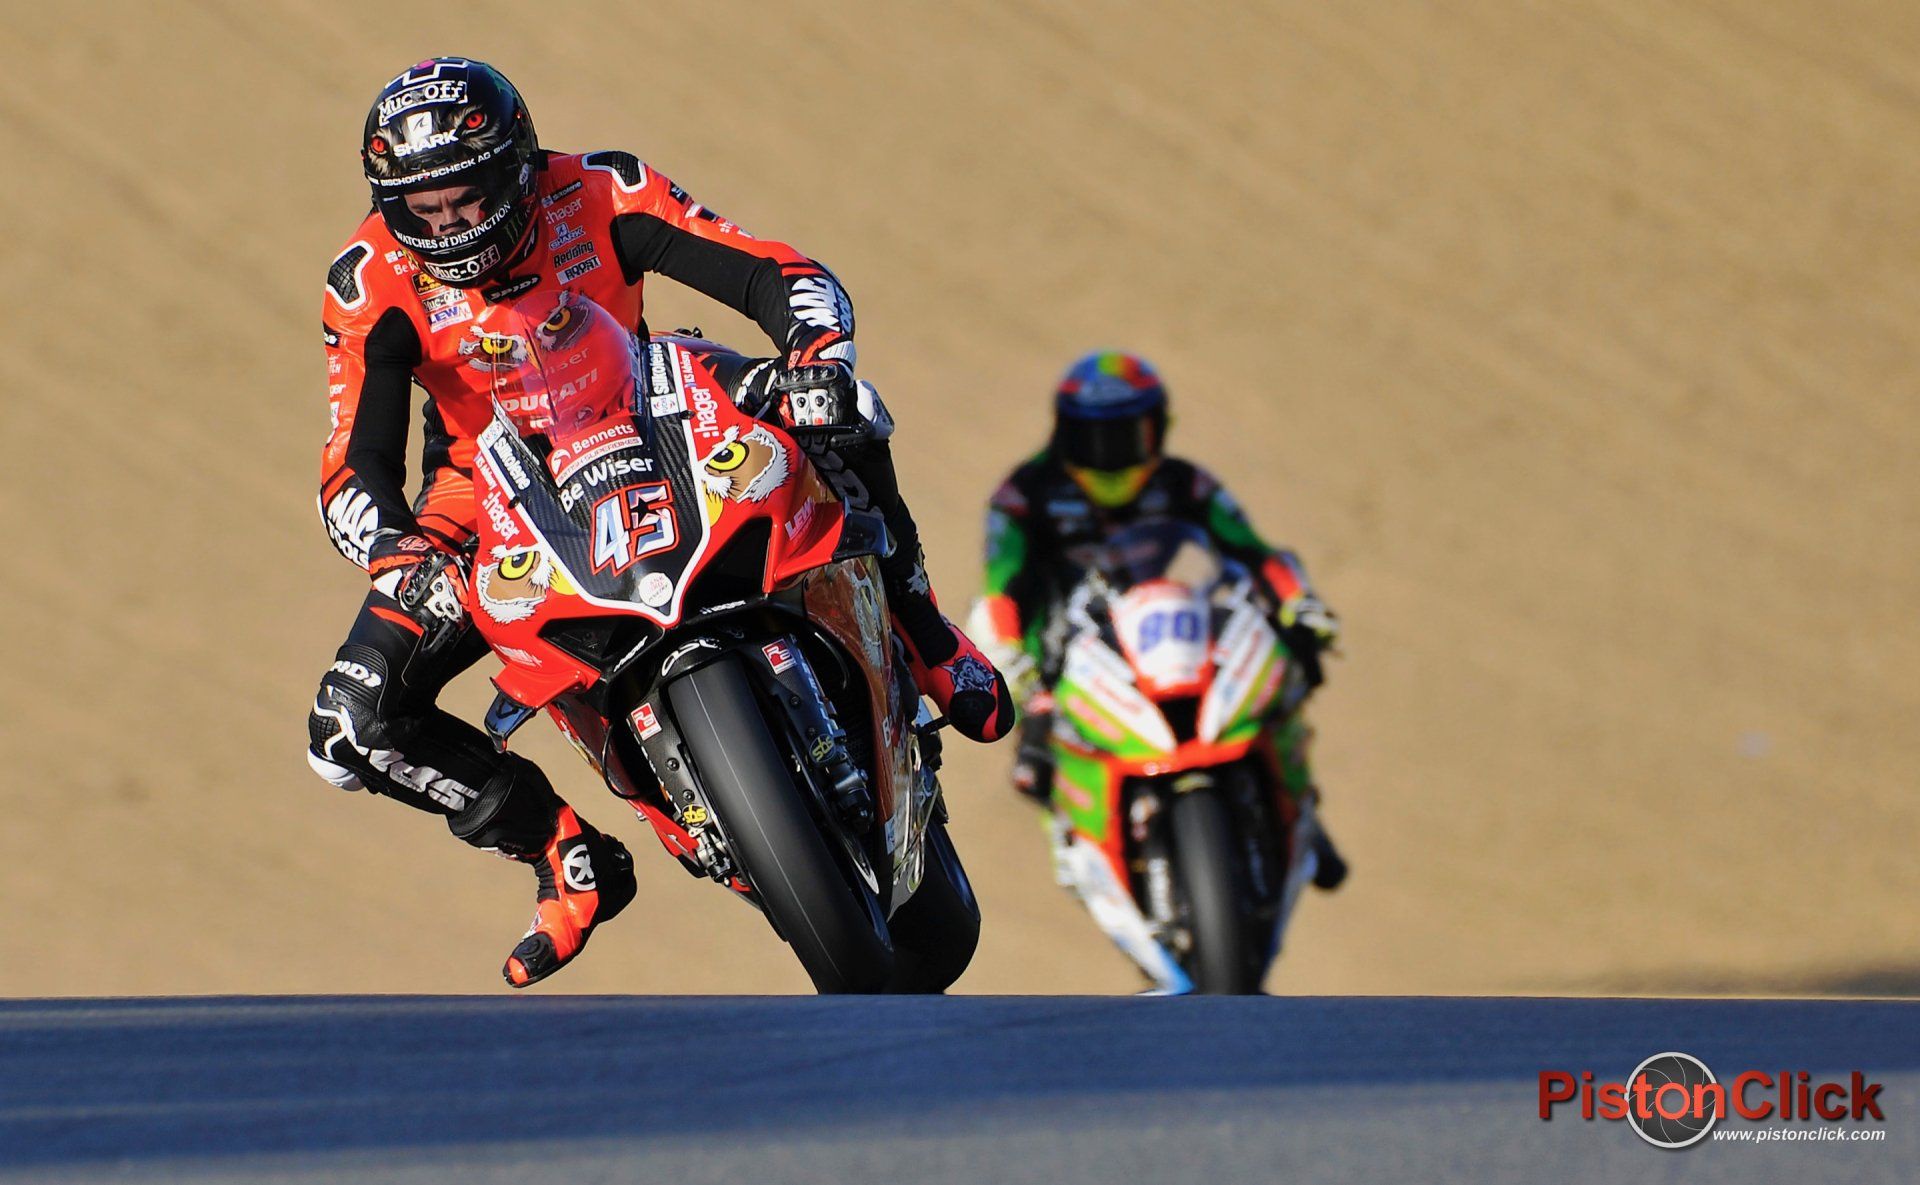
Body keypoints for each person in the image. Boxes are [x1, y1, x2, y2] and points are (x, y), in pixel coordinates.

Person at [306, 57, 1012, 989]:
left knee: (839, 408)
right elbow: (352, 459)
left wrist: (816, 351)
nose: (450, 228)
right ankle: (566, 857)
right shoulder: (369, 282)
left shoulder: (598, 188)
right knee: (347, 729)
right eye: (421, 209)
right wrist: (394, 547)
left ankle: (926, 637)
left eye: (469, 199)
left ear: (519, 166)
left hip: (648, 400)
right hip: (484, 496)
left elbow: (778, 272)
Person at [969, 350, 1347, 887]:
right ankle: (1078, 835)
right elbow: (1001, 581)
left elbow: (1253, 552)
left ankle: (1296, 798)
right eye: (1091, 438)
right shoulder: (1024, 496)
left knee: (1289, 662)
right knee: (1032, 764)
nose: (1108, 457)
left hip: (1176, 626)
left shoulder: (1187, 484)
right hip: (1068, 645)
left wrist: (1297, 605)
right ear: (1063, 434)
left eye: (1126, 436)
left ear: (1159, 428)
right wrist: (1009, 650)